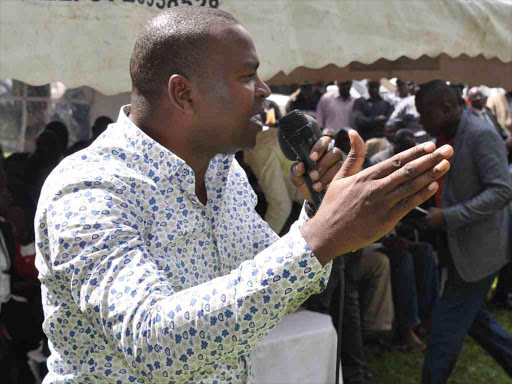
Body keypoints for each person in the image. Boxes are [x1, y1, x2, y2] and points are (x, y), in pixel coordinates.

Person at [35, 8, 453, 383]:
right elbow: (154, 346)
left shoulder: (222, 170)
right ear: (184, 94)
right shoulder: (89, 189)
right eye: (246, 75)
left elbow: (266, 281)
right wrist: (320, 237)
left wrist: (318, 213)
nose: (265, 89)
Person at [416, 80, 512, 384]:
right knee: (476, 321)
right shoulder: (449, 132)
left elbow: (501, 190)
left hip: (479, 251)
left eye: (425, 114)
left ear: (446, 108)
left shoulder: (481, 134)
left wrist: (448, 216)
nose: (420, 121)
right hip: (460, 248)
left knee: (444, 332)